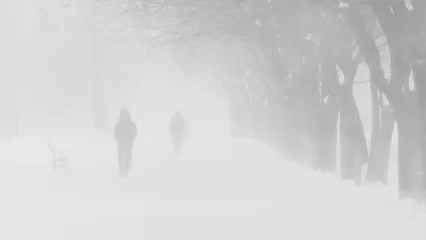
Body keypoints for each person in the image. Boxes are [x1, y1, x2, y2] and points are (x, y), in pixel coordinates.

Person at [114, 108, 137, 177]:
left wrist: (131, 140)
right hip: (121, 144)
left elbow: (135, 133)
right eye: (123, 115)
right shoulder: (118, 124)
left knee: (128, 157)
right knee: (120, 157)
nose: (125, 116)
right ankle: (121, 169)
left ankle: (126, 169)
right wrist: (119, 140)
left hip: (129, 144)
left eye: (126, 115)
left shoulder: (131, 124)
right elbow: (115, 133)